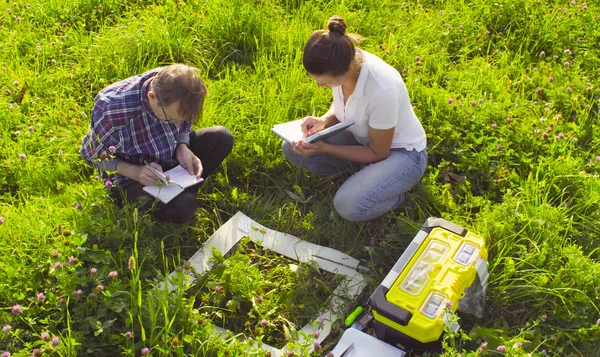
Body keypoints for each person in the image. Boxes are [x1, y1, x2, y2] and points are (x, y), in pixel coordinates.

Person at [282, 16, 427, 222]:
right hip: (362, 140)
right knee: (292, 148)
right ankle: (365, 175)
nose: (319, 86)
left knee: (348, 206)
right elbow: (344, 107)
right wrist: (324, 120)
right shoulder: (343, 58)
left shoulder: (381, 91)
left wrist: (326, 148)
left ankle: (397, 196)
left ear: (347, 70)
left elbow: (378, 151)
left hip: (402, 154)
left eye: (324, 82)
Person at [81, 64, 233, 223]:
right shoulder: (111, 110)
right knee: (185, 205)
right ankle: (177, 197)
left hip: (168, 155)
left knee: (222, 137)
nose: (177, 124)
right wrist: (136, 172)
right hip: (131, 176)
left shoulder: (177, 83)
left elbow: (184, 124)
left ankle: (179, 189)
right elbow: (90, 155)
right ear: (152, 97)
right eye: (172, 120)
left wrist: (183, 145)